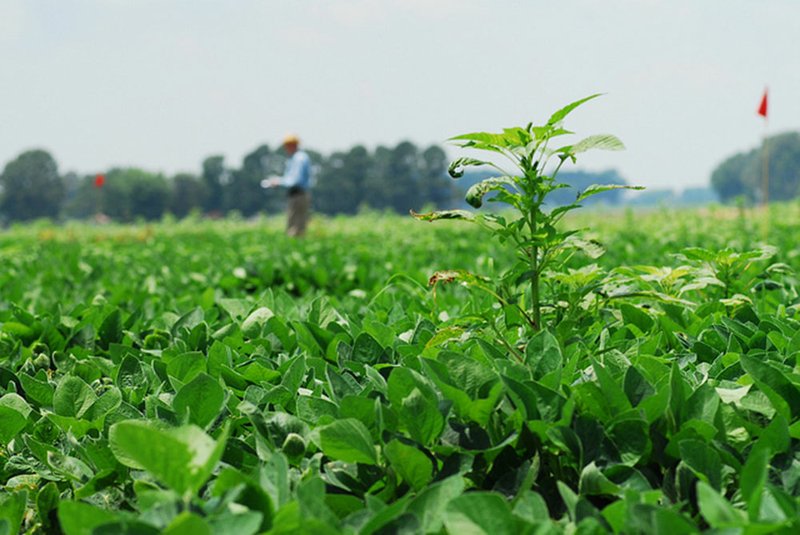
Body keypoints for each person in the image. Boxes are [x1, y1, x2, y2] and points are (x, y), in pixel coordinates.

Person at [264, 134, 312, 237]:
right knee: (296, 224)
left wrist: (278, 181)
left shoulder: (299, 159)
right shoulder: (296, 158)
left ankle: (295, 247)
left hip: (298, 195)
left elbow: (295, 180)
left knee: (296, 226)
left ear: (292, 145)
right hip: (297, 194)